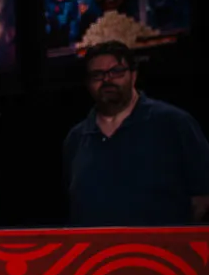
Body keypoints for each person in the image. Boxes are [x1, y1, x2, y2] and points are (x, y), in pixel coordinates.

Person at [63, 40, 209, 226]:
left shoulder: (174, 123)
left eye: (116, 71)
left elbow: (202, 197)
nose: (107, 80)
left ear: (133, 75)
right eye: (97, 75)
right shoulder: (76, 139)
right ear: (88, 83)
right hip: (93, 245)